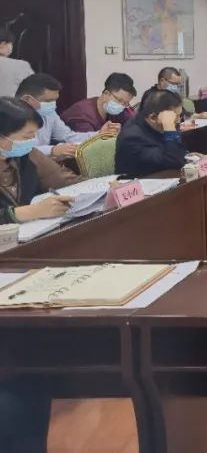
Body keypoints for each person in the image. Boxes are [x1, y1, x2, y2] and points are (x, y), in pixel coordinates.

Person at [0, 96, 85, 451]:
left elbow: (52, 184)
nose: (31, 142)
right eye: (24, 136)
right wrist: (19, 215)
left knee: (31, 382)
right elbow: (18, 212)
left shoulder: (23, 161)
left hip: (21, 269)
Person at [16, 72, 101, 161]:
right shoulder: (10, 116)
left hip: (43, 163)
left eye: (55, 100)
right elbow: (20, 150)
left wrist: (99, 134)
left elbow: (67, 136)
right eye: (48, 101)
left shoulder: (49, 113)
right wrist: (52, 150)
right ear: (27, 99)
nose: (53, 105)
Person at [114, 89, 190, 177]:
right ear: (153, 117)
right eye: (174, 117)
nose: (179, 121)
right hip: (139, 182)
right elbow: (174, 162)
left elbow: (176, 151)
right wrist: (169, 125)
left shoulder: (165, 125)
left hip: (165, 178)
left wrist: (187, 155)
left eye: (179, 115)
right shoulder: (131, 137)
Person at [60, 72, 137, 133]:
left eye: (126, 103)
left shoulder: (115, 109)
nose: (122, 106)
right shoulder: (82, 116)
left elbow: (136, 125)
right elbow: (89, 145)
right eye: (119, 100)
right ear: (106, 94)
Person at [0, 28, 33, 99]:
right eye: (11, 44)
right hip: (9, 105)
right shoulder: (21, 65)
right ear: (3, 44)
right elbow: (33, 89)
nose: (12, 47)